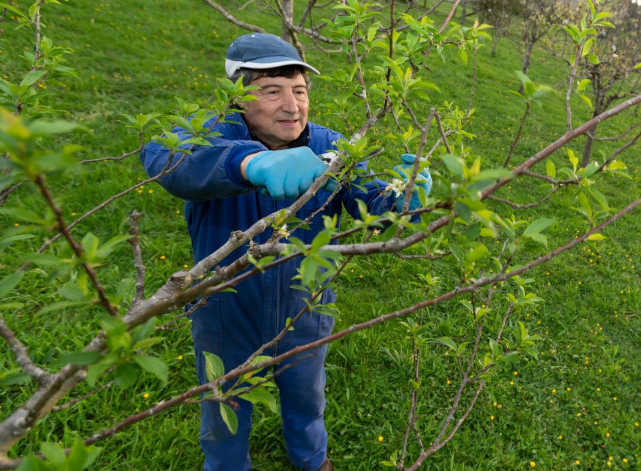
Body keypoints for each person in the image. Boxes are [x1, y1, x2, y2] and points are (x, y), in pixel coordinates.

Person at [140, 33, 430, 471]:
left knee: (306, 393)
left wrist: (401, 200)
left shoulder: (330, 147)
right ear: (237, 97)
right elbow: (163, 157)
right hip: (225, 305)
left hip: (305, 303)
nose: (292, 106)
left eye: (299, 91)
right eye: (272, 91)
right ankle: (227, 466)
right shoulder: (209, 133)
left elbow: (372, 203)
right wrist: (248, 163)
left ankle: (311, 458)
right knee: (225, 403)